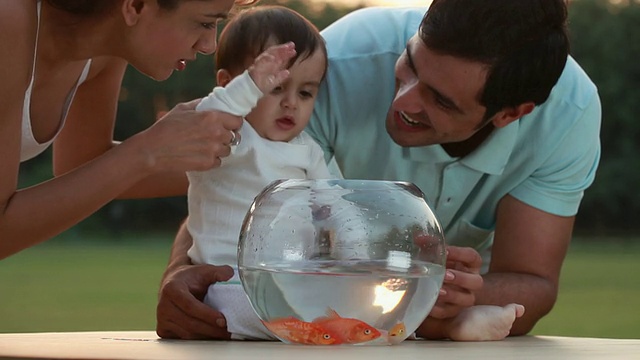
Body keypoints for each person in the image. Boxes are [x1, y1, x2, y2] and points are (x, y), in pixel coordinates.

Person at [156, 0, 600, 341]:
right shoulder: (329, 66)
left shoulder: (568, 117)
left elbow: (534, 282)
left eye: (440, 100)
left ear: (511, 114)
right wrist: (180, 272)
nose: (403, 101)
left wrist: (462, 293)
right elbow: (237, 188)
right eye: (410, 65)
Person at [0, 0, 258, 260]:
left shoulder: (106, 47)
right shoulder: (8, 21)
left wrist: (258, 167)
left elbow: (85, 164)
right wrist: (148, 150)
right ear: (135, 6)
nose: (208, 45)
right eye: (204, 23)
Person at [185, 6, 333, 340]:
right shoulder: (228, 135)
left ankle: (322, 325)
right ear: (229, 84)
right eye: (275, 87)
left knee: (345, 299)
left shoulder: (308, 150)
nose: (291, 103)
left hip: (291, 280)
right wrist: (249, 86)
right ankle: (305, 329)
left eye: (306, 92)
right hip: (228, 283)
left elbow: (334, 207)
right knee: (280, 314)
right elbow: (210, 111)